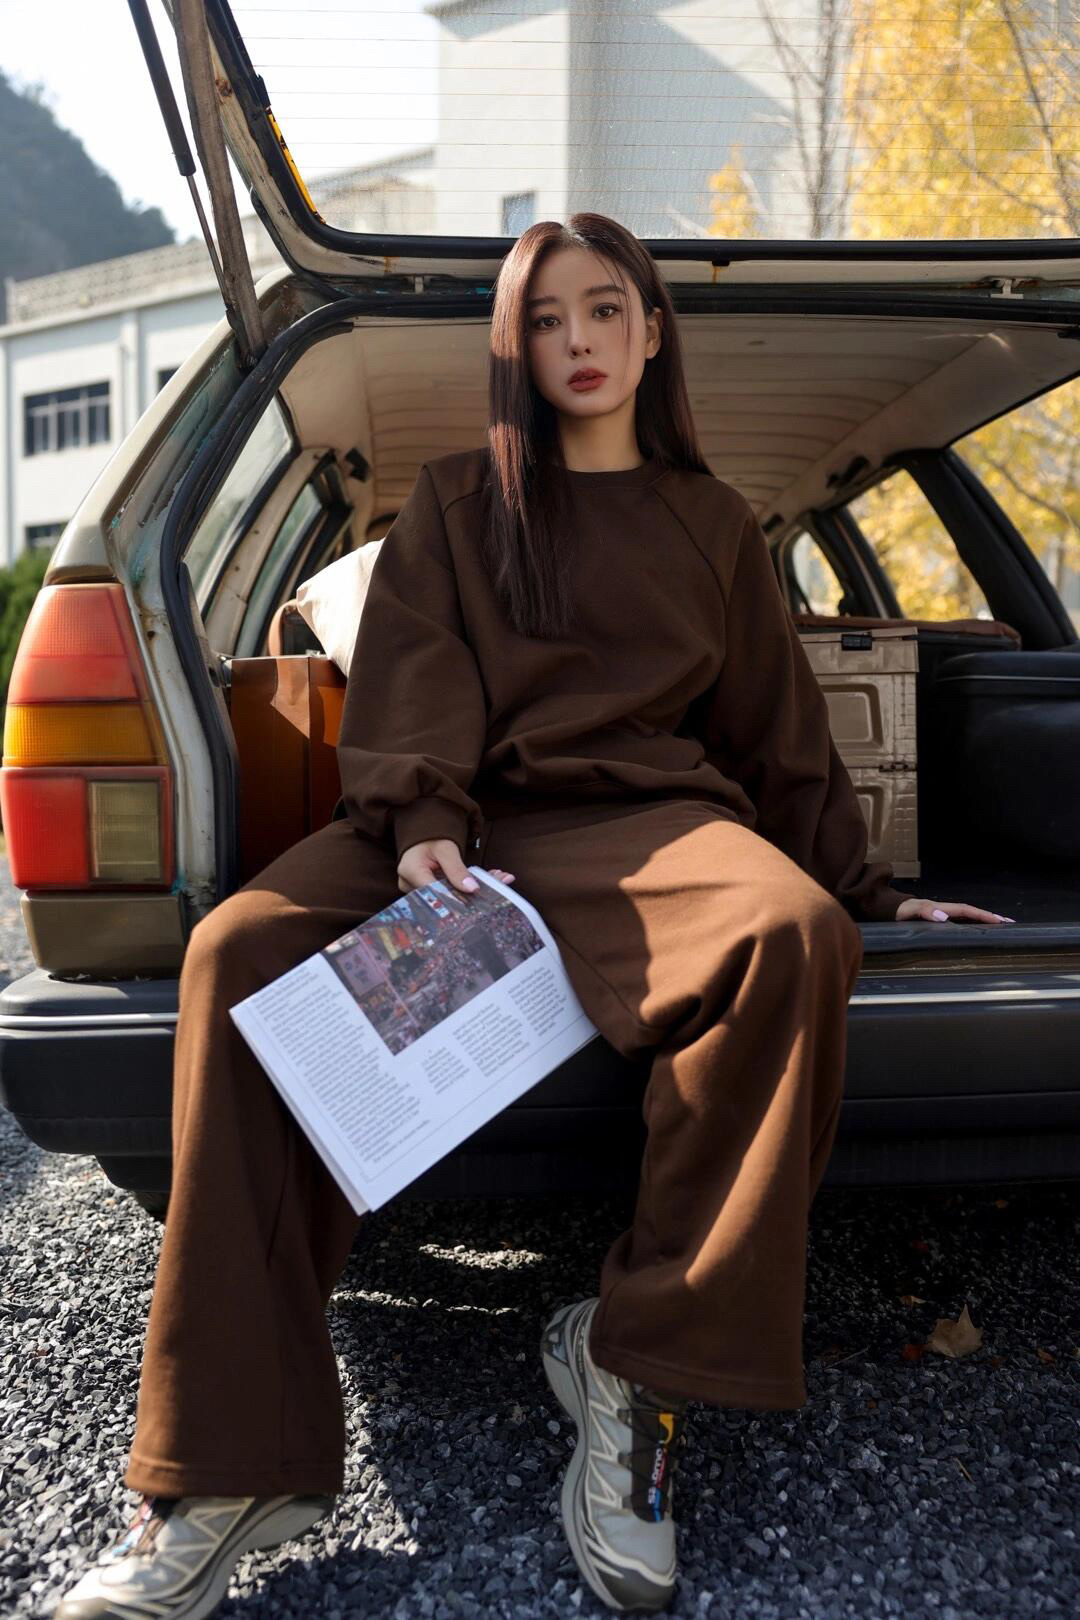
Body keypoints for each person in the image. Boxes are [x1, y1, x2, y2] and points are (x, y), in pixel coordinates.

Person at [54, 213, 1013, 1620]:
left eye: (605, 309)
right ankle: (227, 1470)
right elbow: (413, 675)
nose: (579, 341)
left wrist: (870, 887)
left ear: (651, 331)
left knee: (796, 935)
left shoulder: (714, 524)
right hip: (462, 826)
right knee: (236, 949)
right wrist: (424, 821)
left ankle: (633, 1359)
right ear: (517, 348)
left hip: (646, 827)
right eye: (547, 320)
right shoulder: (456, 501)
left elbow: (779, 734)